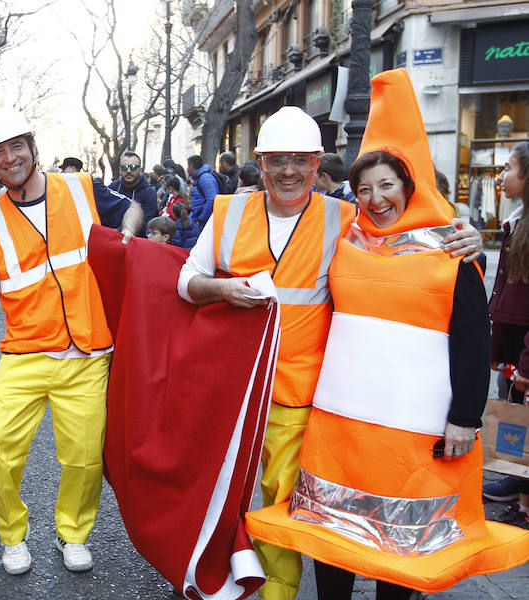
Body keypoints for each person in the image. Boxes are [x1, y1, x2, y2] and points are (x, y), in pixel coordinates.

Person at [177, 101, 483, 600]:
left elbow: (404, 236)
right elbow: (185, 280)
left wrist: (461, 236)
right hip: (230, 393)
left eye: (302, 160)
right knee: (212, 492)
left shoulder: (347, 219)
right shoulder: (226, 212)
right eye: (278, 159)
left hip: (303, 399)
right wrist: (221, 291)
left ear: (318, 165)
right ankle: (200, 573)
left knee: (289, 506)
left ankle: (278, 590)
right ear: (260, 161)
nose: (290, 170)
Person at [245, 68, 529, 599]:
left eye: (387, 186)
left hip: (413, 429)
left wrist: (465, 417)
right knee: (334, 536)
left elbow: (472, 338)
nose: (376, 199)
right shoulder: (347, 238)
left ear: (409, 186)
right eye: (364, 189)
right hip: (341, 426)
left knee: (400, 547)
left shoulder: (450, 250)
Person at [0, 106, 142, 576]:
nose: (10, 158)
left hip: (88, 353)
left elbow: (132, 208)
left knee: (83, 457)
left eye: (17, 146)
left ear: (33, 146)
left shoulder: (80, 188)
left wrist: (127, 237)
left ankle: (72, 533)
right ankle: (13, 536)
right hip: (25, 352)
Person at [484, 142, 529, 524]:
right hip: (514, 341)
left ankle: (522, 492)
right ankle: (514, 477)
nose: (501, 176)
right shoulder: (516, 219)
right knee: (512, 410)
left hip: (526, 347)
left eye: (509, 168)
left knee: (522, 411)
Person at [109, 151, 158, 225]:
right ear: (120, 170)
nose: (128, 171)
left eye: (133, 167)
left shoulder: (149, 193)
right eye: (124, 167)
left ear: (140, 170)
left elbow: (147, 223)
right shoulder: (112, 188)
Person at [187, 155, 219, 227]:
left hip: (203, 222)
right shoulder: (200, 178)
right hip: (198, 219)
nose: (187, 169)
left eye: (188, 166)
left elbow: (211, 200)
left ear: (191, 166)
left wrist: (201, 219)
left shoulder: (205, 179)